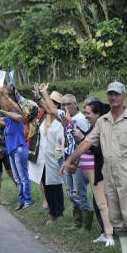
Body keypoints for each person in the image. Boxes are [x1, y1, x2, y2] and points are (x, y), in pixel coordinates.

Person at [61, 81, 127, 253]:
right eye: (110, 93)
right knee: (117, 221)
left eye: (117, 93)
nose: (113, 97)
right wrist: (70, 160)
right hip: (107, 175)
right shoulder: (102, 121)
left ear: (124, 96)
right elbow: (87, 143)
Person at [38, 85, 92, 231]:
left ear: (76, 104)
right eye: (63, 104)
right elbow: (52, 109)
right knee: (72, 193)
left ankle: (86, 226)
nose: (66, 107)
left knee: (80, 194)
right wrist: (44, 93)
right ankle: (77, 223)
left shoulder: (81, 119)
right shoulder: (65, 117)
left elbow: (88, 142)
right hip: (68, 161)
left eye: (69, 104)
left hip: (80, 162)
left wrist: (77, 162)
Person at [71, 100, 115, 246]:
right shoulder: (93, 128)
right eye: (85, 113)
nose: (85, 116)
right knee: (99, 204)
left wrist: (82, 138)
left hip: (99, 171)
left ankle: (110, 236)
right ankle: (105, 233)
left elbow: (99, 152)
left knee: (103, 205)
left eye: (88, 113)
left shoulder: (103, 129)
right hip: (92, 171)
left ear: (98, 114)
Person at [29, 90, 65, 224]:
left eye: (53, 102)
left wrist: (60, 159)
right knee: (47, 185)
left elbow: (60, 142)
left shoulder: (61, 119)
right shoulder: (44, 118)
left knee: (56, 186)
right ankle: (52, 213)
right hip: (43, 159)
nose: (48, 104)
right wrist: (39, 96)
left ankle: (59, 212)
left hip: (55, 158)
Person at [0, 93, 32, 210]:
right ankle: (21, 201)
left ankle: (28, 200)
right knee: (17, 179)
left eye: (5, 102)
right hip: (11, 152)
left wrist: (3, 110)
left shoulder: (17, 114)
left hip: (19, 149)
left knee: (23, 177)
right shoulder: (8, 119)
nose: (3, 104)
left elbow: (19, 118)